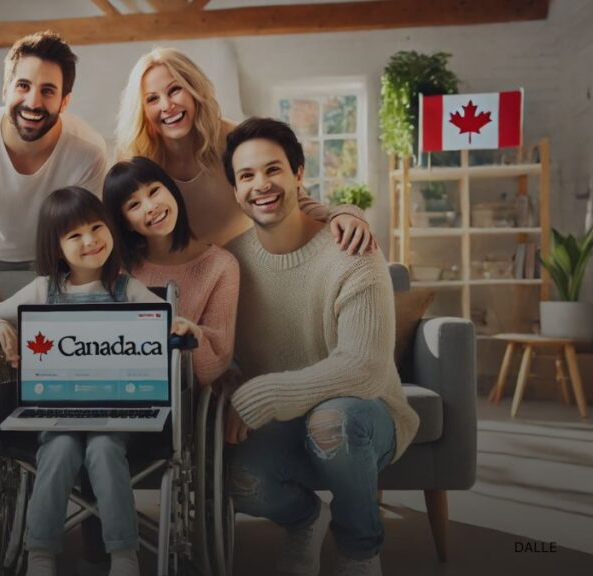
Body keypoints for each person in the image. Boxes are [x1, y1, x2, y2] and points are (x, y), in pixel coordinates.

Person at [0, 187, 200, 576]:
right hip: (59, 410)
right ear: (56, 248)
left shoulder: (127, 290)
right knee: (57, 451)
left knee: (105, 449)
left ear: (110, 229)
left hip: (123, 413)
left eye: (96, 227)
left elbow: (169, 322)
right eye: (74, 235)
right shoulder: (45, 290)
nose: (90, 240)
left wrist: (181, 324)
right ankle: (40, 552)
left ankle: (124, 554)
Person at [221, 118, 419, 576]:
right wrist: (230, 378)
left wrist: (262, 394)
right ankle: (304, 519)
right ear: (234, 191)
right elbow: (223, 346)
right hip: (284, 422)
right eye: (246, 176)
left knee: (332, 420)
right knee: (236, 478)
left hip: (364, 414)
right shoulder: (230, 261)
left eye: (273, 170)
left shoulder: (352, 249)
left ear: (298, 174)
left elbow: (365, 367)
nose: (261, 185)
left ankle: (359, 550)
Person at [115, 47, 375, 251]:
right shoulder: (135, 159)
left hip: (244, 270)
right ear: (142, 110)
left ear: (194, 91)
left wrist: (345, 213)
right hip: (177, 278)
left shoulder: (235, 139)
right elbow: (120, 230)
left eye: (174, 90)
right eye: (152, 99)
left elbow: (292, 197)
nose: (167, 105)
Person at [0, 31, 107, 269]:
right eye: (23, 85)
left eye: (48, 90)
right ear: (5, 90)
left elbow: (88, 232)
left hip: (55, 262)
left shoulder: (88, 150)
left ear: (64, 101)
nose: (33, 102)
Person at [103, 156, 239, 388]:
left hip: (183, 397)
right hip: (118, 389)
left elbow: (217, 363)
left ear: (171, 190)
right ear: (125, 223)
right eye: (133, 205)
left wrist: (191, 335)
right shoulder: (117, 268)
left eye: (154, 191)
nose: (151, 207)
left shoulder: (221, 266)